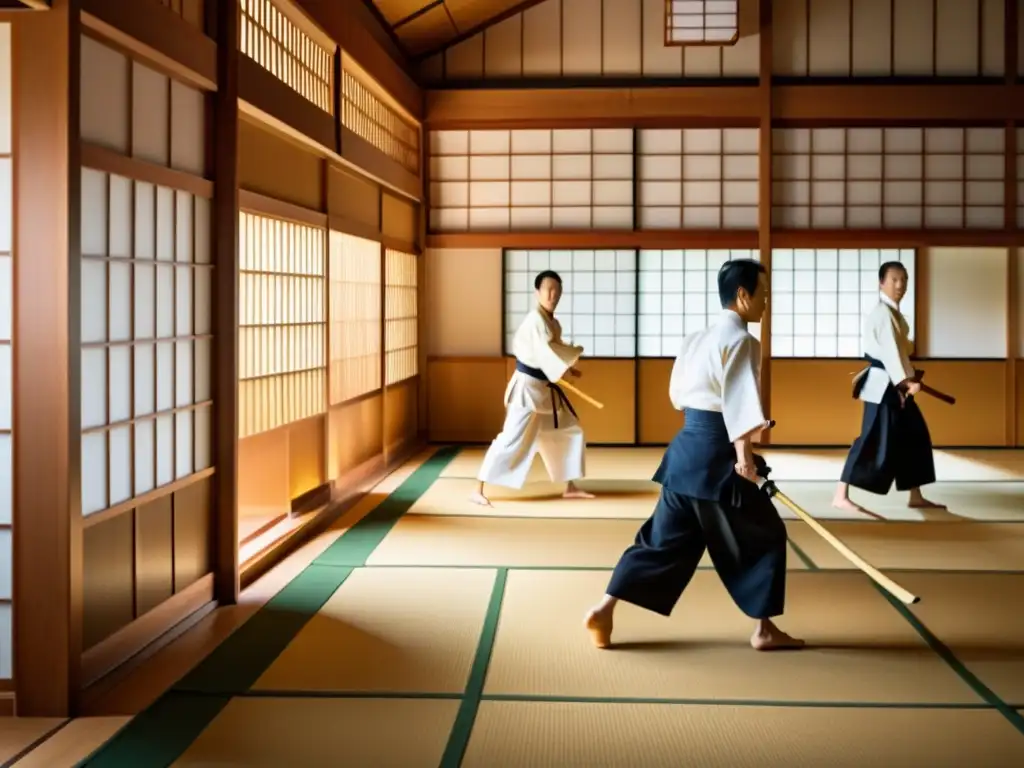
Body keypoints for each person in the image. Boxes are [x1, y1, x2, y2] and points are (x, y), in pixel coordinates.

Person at [584, 259, 803, 652]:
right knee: (766, 535)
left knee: (661, 541)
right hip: (720, 460)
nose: (766, 303)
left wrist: (742, 428)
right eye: (763, 294)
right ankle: (765, 629)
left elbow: (679, 398)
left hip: (685, 453)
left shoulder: (695, 339)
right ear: (743, 295)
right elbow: (737, 404)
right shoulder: (744, 342)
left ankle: (604, 608)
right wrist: (746, 460)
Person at [471, 270, 595, 507]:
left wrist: (568, 368)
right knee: (510, 439)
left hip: (544, 390)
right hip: (527, 391)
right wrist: (570, 357)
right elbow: (547, 353)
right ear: (537, 292)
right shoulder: (535, 321)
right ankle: (477, 487)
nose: (552, 294)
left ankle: (569, 486)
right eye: (548, 290)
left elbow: (552, 351)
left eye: (557, 290)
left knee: (568, 432)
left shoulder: (552, 322)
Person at [832, 261, 945, 515]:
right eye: (894, 279)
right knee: (870, 438)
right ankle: (840, 495)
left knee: (913, 435)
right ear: (881, 283)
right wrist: (905, 382)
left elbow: (901, 349)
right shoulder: (883, 313)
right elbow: (892, 353)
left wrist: (906, 379)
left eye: (903, 279)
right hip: (884, 386)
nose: (900, 285)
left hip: (894, 384)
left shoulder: (893, 314)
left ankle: (915, 495)